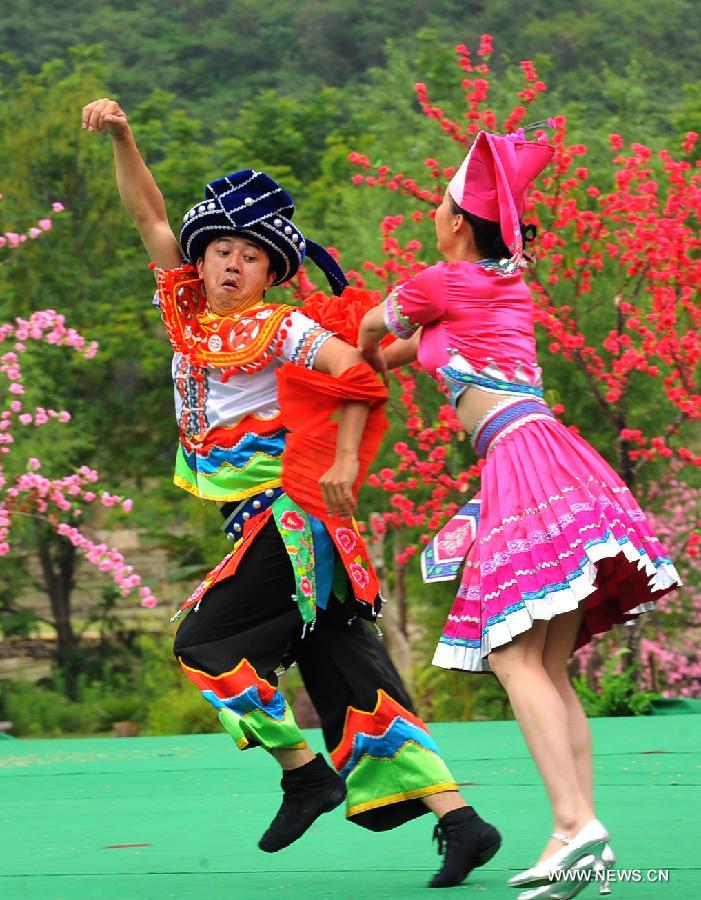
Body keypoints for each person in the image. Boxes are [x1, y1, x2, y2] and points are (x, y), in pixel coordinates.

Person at [81, 98, 502, 889]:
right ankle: (462, 823)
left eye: (250, 255)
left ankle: (305, 775)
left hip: (290, 519)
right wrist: (124, 136)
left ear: (274, 272)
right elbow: (147, 212)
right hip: (282, 527)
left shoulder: (284, 330)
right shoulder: (186, 310)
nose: (231, 264)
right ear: (199, 260)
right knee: (350, 677)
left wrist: (344, 457)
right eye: (219, 251)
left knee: (203, 644)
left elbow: (357, 375)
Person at [358, 127, 682, 898]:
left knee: (510, 657)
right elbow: (402, 352)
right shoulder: (489, 288)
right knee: (545, 665)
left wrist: (351, 335)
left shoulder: (442, 281)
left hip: (520, 462)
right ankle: (577, 832)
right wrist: (373, 352)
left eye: (438, 204)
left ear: (458, 224)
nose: (432, 214)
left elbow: (375, 330)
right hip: (553, 458)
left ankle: (577, 822)